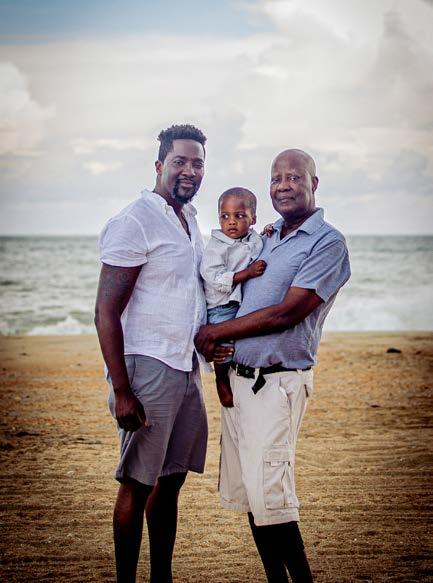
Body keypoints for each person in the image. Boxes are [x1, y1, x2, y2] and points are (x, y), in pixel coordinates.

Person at [195, 149, 351, 582]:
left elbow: (288, 313)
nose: (284, 185)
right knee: (254, 496)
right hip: (239, 383)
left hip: (276, 383)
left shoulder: (327, 243)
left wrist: (216, 332)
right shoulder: (267, 236)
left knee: (273, 498)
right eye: (276, 178)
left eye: (294, 177)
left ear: (313, 184)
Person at [95, 124, 211, 583]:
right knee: (138, 482)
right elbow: (105, 312)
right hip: (146, 367)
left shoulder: (190, 220)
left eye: (197, 163)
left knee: (172, 478)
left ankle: (161, 577)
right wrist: (123, 391)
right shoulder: (136, 220)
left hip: (185, 366)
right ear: (159, 165)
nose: (189, 171)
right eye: (180, 161)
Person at [200, 187, 266, 407]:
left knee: (244, 339)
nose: (231, 222)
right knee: (224, 347)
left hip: (240, 302)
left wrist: (269, 231)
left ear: (253, 219)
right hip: (220, 305)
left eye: (239, 216)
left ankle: (241, 376)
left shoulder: (251, 238)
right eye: (225, 216)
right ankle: (221, 380)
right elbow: (214, 278)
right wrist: (246, 274)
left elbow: (260, 244)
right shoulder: (216, 247)